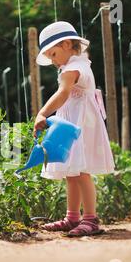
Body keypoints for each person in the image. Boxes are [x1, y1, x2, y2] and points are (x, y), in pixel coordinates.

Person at [33, 21, 115, 237]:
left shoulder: (73, 69)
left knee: (81, 173)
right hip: (75, 122)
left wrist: (42, 113)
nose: (52, 61)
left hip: (80, 125)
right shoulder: (80, 65)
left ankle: (90, 219)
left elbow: (62, 94)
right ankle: (72, 217)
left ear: (67, 44)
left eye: (53, 54)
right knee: (72, 171)